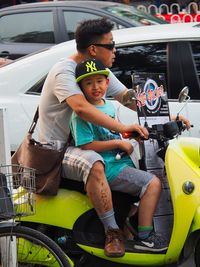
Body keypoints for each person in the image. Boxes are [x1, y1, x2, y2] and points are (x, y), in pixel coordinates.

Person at [38, 17, 190, 258]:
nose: (115, 50)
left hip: (81, 145)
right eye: (111, 45)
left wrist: (169, 118)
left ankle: (132, 221)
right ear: (93, 50)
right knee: (92, 162)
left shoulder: (99, 74)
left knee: (138, 163)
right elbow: (82, 109)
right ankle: (113, 232)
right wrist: (122, 131)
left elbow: (129, 98)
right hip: (55, 151)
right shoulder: (65, 72)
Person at [70, 58, 169, 254]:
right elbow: (86, 144)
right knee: (153, 184)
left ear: (108, 82)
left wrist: (130, 136)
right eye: (88, 83)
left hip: (121, 162)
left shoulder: (108, 105)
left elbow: (113, 132)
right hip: (109, 167)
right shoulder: (82, 114)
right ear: (80, 87)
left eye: (99, 81)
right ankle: (146, 237)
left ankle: (131, 221)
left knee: (158, 179)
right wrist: (117, 143)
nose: (95, 87)